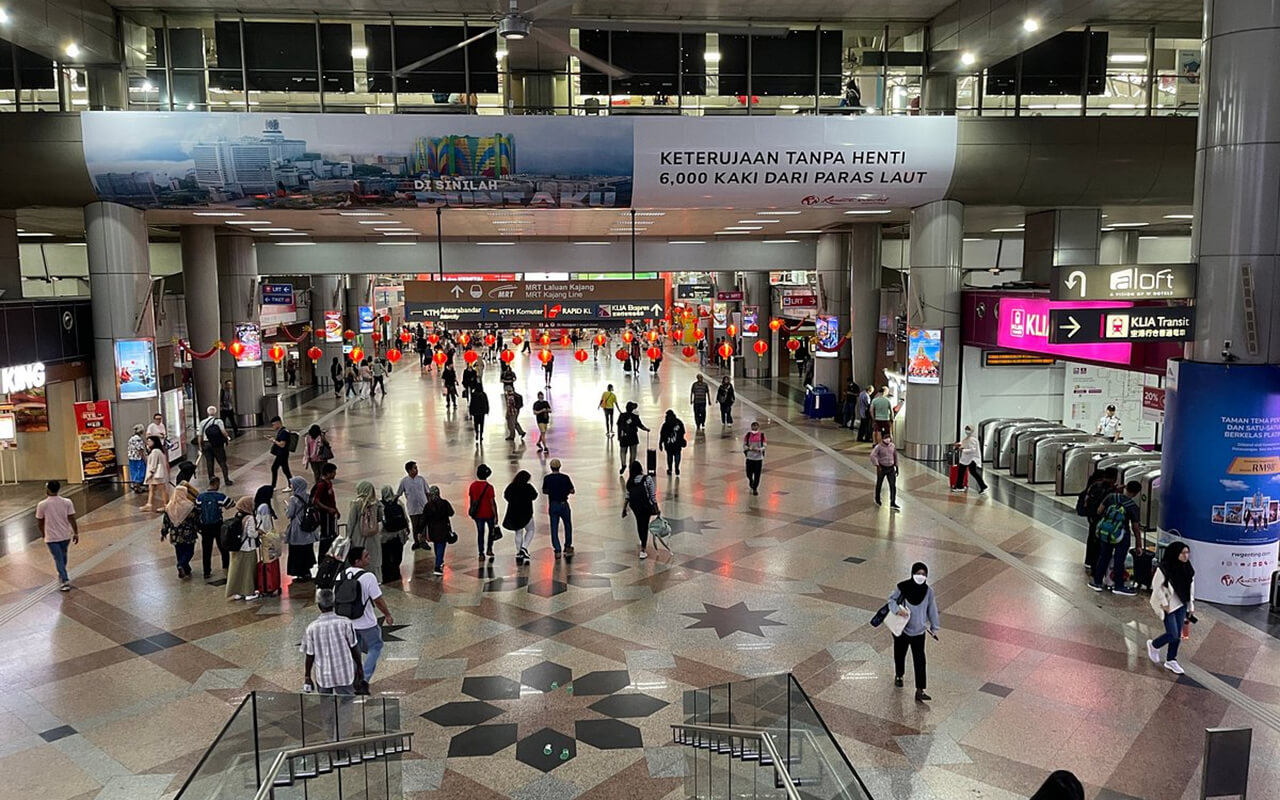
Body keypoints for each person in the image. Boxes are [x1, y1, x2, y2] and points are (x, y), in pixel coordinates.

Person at [339, 546, 394, 683]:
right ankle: (364, 677)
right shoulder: (368, 577)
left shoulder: (341, 575)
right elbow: (378, 600)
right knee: (375, 646)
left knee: (354, 650)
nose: (369, 557)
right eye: (366, 556)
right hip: (366, 622)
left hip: (347, 622)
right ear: (357, 561)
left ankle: (353, 677)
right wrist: (387, 614)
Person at [888, 562, 940, 702]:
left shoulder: (928, 592)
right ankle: (899, 675)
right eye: (918, 573)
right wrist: (897, 610)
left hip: (919, 632)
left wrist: (935, 627)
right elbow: (891, 599)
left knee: (920, 661)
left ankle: (920, 690)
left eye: (923, 574)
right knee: (900, 654)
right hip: (902, 630)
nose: (920, 576)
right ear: (912, 573)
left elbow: (932, 610)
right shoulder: (902, 587)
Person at [1147, 541, 1196, 675]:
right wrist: (1164, 603)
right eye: (1183, 553)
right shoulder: (1164, 568)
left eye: (1187, 553)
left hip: (1181, 604)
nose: (1186, 556)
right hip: (1168, 605)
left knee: (1178, 634)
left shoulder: (1188, 568)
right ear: (1175, 553)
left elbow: (1191, 587)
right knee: (1172, 633)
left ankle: (1171, 659)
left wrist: (1191, 604)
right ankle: (1154, 645)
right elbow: (1156, 586)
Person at [303, 588, 364, 695]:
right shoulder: (345, 623)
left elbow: (310, 655)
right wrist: (359, 667)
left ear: (319, 606)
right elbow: (354, 648)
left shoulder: (311, 628)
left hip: (324, 676)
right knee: (347, 704)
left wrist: (307, 676)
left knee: (326, 707)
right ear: (334, 604)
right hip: (344, 674)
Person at [1089, 480, 1143, 596]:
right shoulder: (1133, 506)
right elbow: (1136, 527)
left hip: (1106, 532)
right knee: (1119, 560)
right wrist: (1139, 544)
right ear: (1136, 493)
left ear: (1126, 487)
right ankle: (1118, 586)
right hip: (1121, 535)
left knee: (1104, 556)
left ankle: (1097, 582)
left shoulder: (1111, 497)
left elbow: (1099, 510)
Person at [36, 480, 78, 591]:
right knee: (62, 557)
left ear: (48, 489)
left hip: (51, 537)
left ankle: (63, 579)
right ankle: (63, 576)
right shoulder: (67, 502)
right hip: (65, 535)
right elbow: (72, 518)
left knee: (60, 558)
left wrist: (44, 534)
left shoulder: (42, 505)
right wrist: (76, 532)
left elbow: (40, 522)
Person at [1081, 467, 1120, 571]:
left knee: (1091, 538)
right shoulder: (1111, 491)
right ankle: (1097, 565)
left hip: (1092, 517)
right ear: (1114, 478)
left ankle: (1089, 561)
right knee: (1101, 542)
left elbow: (1086, 500)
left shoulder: (1094, 485)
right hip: (1103, 520)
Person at [161, 481, 201, 579]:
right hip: (188, 534)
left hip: (175, 535)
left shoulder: (169, 507)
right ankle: (181, 565)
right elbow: (196, 520)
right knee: (189, 552)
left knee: (179, 552)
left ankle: (186, 569)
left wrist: (164, 533)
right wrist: (200, 529)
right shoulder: (190, 506)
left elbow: (166, 521)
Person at [226, 494, 262, 601]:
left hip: (236, 547)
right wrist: (258, 532)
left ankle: (238, 592)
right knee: (248, 571)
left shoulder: (238, 515)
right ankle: (248, 592)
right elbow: (252, 534)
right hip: (247, 548)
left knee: (237, 570)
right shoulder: (249, 518)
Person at [196, 477, 233, 579]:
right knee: (223, 546)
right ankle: (226, 565)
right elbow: (231, 504)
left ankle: (206, 571)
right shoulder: (220, 496)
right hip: (218, 526)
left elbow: (197, 509)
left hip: (205, 527)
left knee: (206, 549)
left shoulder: (200, 497)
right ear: (216, 484)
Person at [621, 461, 659, 560]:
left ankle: (642, 542)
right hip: (645, 506)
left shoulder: (630, 481)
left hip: (635, 506)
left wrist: (624, 509)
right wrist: (656, 508)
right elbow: (652, 496)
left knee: (639, 523)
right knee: (645, 525)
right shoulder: (647, 479)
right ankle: (643, 548)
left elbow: (628, 496)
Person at [284, 475, 316, 582]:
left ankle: (300, 573)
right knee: (307, 550)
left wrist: (287, 508)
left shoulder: (294, 499)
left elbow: (290, 514)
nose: (291, 486)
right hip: (308, 527)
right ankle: (307, 571)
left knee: (296, 551)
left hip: (297, 529)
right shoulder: (308, 496)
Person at [348, 481, 382, 582]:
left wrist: (348, 537)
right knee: (373, 557)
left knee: (360, 556)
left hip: (359, 536)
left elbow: (351, 522)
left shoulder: (356, 503)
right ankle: (375, 579)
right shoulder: (376, 503)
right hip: (373, 536)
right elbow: (380, 518)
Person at [503, 471, 538, 565]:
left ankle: (519, 552)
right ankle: (524, 547)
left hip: (514, 513)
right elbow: (534, 496)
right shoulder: (528, 487)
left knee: (518, 532)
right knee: (530, 530)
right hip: (526, 512)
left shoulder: (511, 487)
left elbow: (506, 496)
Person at [541, 459, 575, 559]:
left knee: (554, 528)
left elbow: (544, 490)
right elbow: (572, 490)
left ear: (551, 467)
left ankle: (557, 549)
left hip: (553, 504)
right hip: (564, 504)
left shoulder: (547, 478)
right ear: (560, 467)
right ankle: (568, 546)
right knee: (568, 525)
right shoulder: (565, 478)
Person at [468, 464, 500, 562]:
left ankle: (481, 553)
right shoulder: (489, 487)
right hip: (489, 513)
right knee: (491, 532)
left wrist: (472, 512)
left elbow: (472, 500)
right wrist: (496, 515)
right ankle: (489, 549)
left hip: (478, 514)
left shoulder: (472, 486)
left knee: (480, 533)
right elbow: (492, 502)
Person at [396, 461, 430, 551]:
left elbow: (427, 492)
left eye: (416, 468)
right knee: (415, 525)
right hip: (413, 508)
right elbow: (398, 493)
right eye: (414, 468)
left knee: (423, 525)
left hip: (423, 507)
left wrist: (429, 503)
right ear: (409, 470)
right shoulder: (404, 481)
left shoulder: (421, 479)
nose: (416, 470)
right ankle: (417, 541)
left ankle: (423, 541)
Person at [378, 485, 408, 584]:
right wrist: (406, 528)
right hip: (398, 534)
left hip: (385, 536)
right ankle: (396, 571)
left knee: (385, 555)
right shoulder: (398, 502)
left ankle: (386, 574)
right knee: (397, 554)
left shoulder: (380, 505)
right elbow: (404, 516)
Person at [423, 485, 455, 576]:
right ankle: (437, 566)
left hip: (432, 530)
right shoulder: (444, 503)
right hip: (443, 529)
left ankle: (439, 561)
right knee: (441, 546)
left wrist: (419, 531)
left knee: (437, 546)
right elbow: (451, 513)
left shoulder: (428, 506)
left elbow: (423, 519)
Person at [197, 405, 233, 485]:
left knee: (209, 463)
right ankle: (226, 479)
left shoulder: (202, 422)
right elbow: (223, 431)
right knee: (222, 462)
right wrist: (227, 438)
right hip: (217, 444)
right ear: (215, 412)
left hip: (207, 444)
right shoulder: (219, 421)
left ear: (207, 412)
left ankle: (211, 480)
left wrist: (200, 446)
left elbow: (200, 436)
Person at [313, 462, 341, 559]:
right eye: (333, 472)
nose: (335, 474)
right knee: (327, 535)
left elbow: (331, 500)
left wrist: (336, 510)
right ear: (327, 473)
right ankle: (323, 556)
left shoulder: (329, 484)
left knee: (332, 533)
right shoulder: (321, 485)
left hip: (331, 514)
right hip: (325, 515)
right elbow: (316, 500)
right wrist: (328, 509)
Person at [950, 425, 988, 494]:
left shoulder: (972, 439)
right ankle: (960, 486)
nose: (967, 430)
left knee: (972, 472)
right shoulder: (968, 438)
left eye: (968, 429)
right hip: (967, 459)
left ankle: (983, 486)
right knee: (962, 471)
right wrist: (958, 445)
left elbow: (973, 450)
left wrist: (962, 449)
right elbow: (963, 443)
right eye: (966, 429)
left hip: (972, 459)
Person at [616, 402, 649, 475]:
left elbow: (619, 426)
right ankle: (631, 466)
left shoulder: (621, 415)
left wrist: (619, 436)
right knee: (633, 452)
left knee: (623, 451)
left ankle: (623, 464)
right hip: (633, 436)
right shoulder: (634, 416)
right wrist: (647, 429)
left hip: (623, 436)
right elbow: (640, 425)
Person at [870, 432, 900, 510]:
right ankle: (877, 499)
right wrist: (877, 465)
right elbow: (873, 456)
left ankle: (893, 501)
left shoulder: (892, 446)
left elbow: (895, 456)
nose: (888, 439)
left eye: (889, 437)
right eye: (886, 437)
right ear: (883, 438)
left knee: (892, 485)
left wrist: (897, 466)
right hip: (882, 468)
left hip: (891, 468)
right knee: (879, 483)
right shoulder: (878, 447)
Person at [141, 435, 169, 512]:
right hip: (157, 474)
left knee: (162, 489)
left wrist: (150, 473)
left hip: (156, 475)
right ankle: (149, 504)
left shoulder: (155, 451)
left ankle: (166, 505)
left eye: (150, 441)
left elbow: (153, 464)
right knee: (152, 489)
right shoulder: (159, 451)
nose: (148, 442)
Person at [266, 416, 294, 489]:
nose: (273, 426)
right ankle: (290, 484)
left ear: (278, 423)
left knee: (277, 468)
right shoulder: (281, 431)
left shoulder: (284, 432)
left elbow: (282, 444)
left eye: (273, 424)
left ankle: (275, 486)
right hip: (281, 454)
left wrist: (274, 441)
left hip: (282, 454)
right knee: (284, 469)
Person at [659, 410, 687, 476]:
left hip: (668, 444)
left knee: (669, 456)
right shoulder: (679, 422)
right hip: (677, 443)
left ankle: (670, 469)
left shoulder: (665, 424)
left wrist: (660, 443)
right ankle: (677, 467)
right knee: (677, 455)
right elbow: (683, 431)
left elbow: (662, 435)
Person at [743, 421, 766, 495]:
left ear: (758, 427)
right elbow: (744, 445)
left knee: (757, 474)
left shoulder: (762, 436)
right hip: (749, 457)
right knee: (748, 473)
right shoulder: (748, 435)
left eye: (756, 427)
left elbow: (765, 446)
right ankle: (751, 480)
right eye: (753, 427)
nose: (754, 429)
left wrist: (759, 449)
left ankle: (755, 488)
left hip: (758, 459)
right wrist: (749, 448)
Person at [127, 424, 147, 493]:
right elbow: (140, 450)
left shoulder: (131, 438)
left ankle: (135, 485)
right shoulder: (138, 439)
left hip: (131, 458)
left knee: (134, 472)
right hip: (138, 458)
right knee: (140, 472)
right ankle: (137, 486)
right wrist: (144, 459)